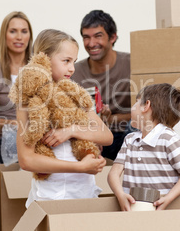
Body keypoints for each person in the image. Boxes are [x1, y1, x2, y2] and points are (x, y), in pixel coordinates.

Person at [12, 29, 113, 208]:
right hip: (50, 196)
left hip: (83, 193)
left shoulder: (77, 95)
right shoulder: (28, 102)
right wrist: (80, 168)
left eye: (73, 61)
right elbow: (26, 160)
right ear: (44, 60)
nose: (72, 68)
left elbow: (106, 136)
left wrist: (71, 130)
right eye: (66, 61)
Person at [107, 83, 180, 211]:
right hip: (134, 210)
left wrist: (168, 198)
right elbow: (113, 174)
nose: (132, 107)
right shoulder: (130, 140)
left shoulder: (168, 139)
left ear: (146, 106)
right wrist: (120, 195)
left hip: (162, 212)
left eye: (136, 103)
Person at [71, 10, 132, 161]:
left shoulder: (132, 63)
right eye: (86, 37)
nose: (91, 44)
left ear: (113, 37)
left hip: (125, 137)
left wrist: (111, 120)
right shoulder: (73, 71)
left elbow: (148, 111)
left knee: (138, 126)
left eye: (98, 36)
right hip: (90, 138)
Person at [0, 11, 33, 163]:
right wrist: (17, 126)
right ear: (4, 36)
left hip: (35, 136)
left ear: (29, 36)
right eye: (13, 31)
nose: (19, 37)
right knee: (20, 145)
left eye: (24, 31)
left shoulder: (38, 70)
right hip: (5, 141)